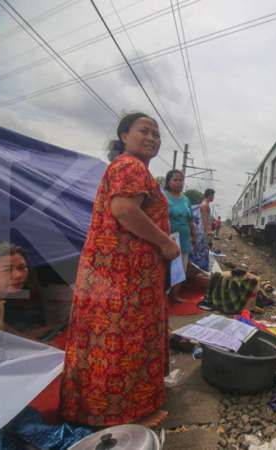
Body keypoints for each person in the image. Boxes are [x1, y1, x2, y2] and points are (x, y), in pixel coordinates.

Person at [60, 112, 179, 428]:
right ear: (124, 136)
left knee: (102, 340)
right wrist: (166, 243)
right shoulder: (131, 166)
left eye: (156, 133)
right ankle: (125, 414)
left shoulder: (127, 166)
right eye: (145, 131)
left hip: (113, 271)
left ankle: (96, 410)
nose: (153, 137)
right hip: (124, 274)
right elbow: (124, 210)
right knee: (125, 340)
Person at [163, 169, 197, 302]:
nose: (178, 183)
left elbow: (190, 220)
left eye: (181, 180)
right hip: (167, 238)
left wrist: (194, 236)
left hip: (183, 239)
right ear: (168, 182)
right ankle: (162, 295)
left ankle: (175, 295)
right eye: (175, 180)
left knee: (181, 267)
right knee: (165, 267)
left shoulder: (186, 199)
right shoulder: (163, 197)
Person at [190, 188, 215, 272]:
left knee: (199, 250)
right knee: (201, 250)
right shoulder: (205, 205)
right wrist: (208, 231)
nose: (213, 198)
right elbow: (205, 219)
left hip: (201, 230)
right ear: (210, 195)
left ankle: (197, 267)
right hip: (202, 231)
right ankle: (200, 268)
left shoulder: (204, 204)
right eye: (213, 195)